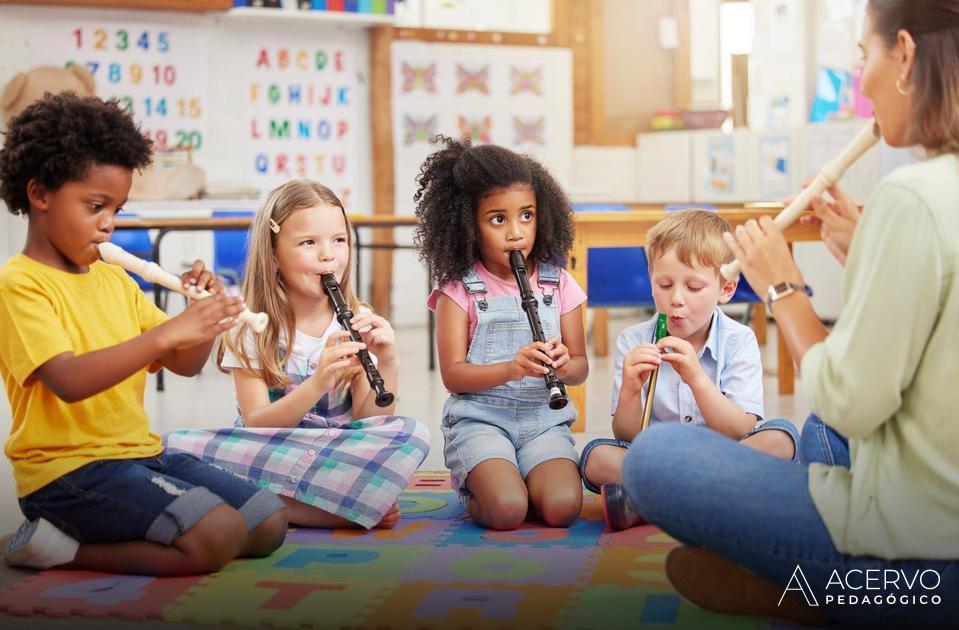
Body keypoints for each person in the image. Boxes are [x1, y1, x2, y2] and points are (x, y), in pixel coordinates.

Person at [623, 2, 959, 625]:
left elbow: (851, 400)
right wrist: (868, 255)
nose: (862, 80)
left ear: (906, 56)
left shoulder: (914, 197)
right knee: (818, 443)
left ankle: (859, 595)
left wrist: (782, 290)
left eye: (865, 57)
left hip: (928, 536)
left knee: (654, 460)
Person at [0, 93, 287, 574]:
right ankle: (56, 548)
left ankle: (164, 529)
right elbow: (69, 381)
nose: (109, 224)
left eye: (117, 208)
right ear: (40, 194)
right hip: (67, 474)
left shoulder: (114, 279)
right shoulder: (19, 284)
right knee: (216, 536)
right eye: (95, 206)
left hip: (141, 455)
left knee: (267, 521)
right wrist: (167, 332)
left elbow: (184, 363)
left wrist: (199, 318)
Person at [166, 180, 430, 530]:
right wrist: (317, 384)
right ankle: (328, 507)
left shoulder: (358, 317)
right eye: (309, 242)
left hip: (334, 454)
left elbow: (371, 421)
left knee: (413, 432)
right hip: (271, 450)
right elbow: (257, 424)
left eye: (339, 240)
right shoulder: (251, 327)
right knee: (173, 447)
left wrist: (389, 363)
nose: (328, 255)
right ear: (274, 255)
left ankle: (273, 501)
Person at [579, 210, 798, 531]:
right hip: (658, 457)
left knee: (783, 438)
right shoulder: (633, 340)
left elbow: (740, 429)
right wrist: (629, 391)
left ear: (726, 290)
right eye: (664, 284)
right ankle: (717, 499)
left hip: (724, 453)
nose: (676, 299)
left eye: (694, 287)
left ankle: (654, 502)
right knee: (594, 457)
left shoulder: (739, 340)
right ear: (651, 280)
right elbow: (627, 436)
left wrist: (697, 378)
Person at [416, 137, 588, 531]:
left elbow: (580, 368)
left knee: (563, 509)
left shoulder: (557, 282)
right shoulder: (458, 292)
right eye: (498, 219)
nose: (516, 233)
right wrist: (513, 368)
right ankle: (478, 484)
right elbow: (453, 375)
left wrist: (564, 366)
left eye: (526, 216)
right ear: (467, 225)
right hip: (481, 420)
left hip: (543, 420)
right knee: (507, 512)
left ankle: (520, 476)